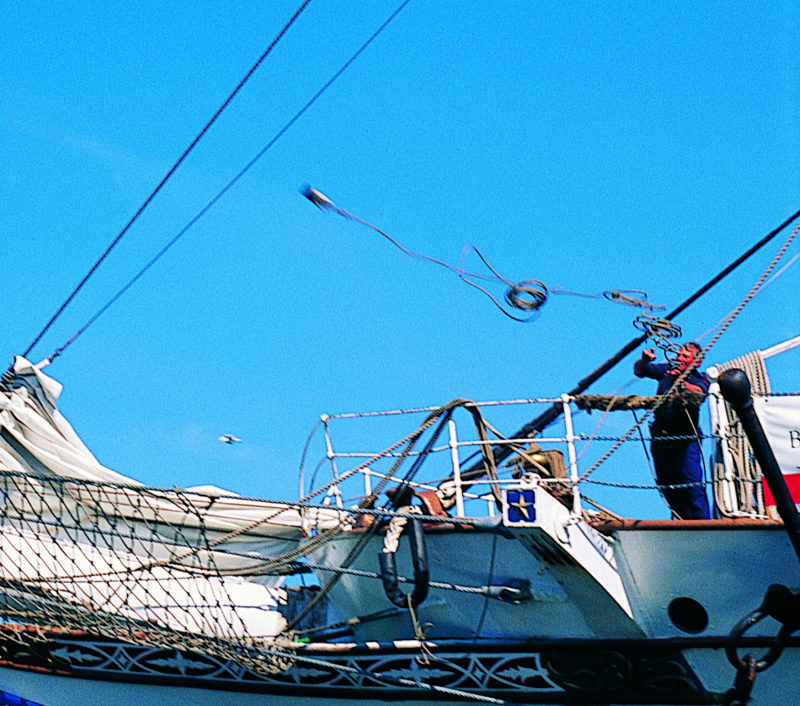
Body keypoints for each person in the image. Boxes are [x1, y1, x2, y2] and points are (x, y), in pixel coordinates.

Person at [634, 342, 711, 519]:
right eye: (678, 354)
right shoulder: (665, 370)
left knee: (692, 485)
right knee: (666, 483)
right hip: (662, 438)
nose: (679, 358)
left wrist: (680, 382)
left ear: (696, 362)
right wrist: (645, 360)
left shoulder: (700, 378)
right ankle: (680, 519)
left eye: (685, 356)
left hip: (685, 441)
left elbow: (698, 392)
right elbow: (640, 370)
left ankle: (703, 523)